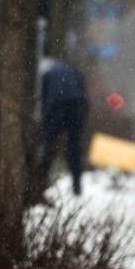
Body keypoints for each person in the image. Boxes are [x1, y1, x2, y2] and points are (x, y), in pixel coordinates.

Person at [40, 57, 88, 195]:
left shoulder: (46, 74)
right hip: (76, 107)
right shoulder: (71, 70)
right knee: (74, 146)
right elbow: (83, 90)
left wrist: (46, 117)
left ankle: (42, 180)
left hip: (57, 108)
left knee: (48, 144)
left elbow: (44, 97)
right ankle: (77, 184)